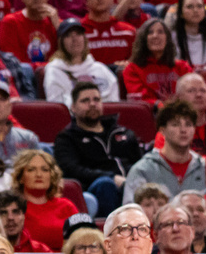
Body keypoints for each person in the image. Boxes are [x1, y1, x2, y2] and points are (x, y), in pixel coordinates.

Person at [54, 82, 142, 218]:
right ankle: (110, 229)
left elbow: (141, 163)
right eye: (85, 100)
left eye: (96, 99)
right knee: (105, 185)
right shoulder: (67, 137)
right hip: (94, 188)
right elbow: (72, 170)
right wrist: (111, 177)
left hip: (130, 183)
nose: (92, 104)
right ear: (73, 108)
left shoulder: (123, 132)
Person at [123, 100, 206, 203]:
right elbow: (132, 213)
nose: (183, 130)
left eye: (188, 125)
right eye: (175, 125)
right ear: (162, 130)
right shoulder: (142, 170)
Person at [9, 149, 77, 251]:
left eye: (45, 170)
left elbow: (81, 240)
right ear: (21, 177)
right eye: (31, 169)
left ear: (52, 175)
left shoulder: (66, 206)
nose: (39, 175)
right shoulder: (13, 208)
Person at [43, 19, 120, 105]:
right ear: (61, 42)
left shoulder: (100, 68)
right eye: (68, 35)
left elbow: (114, 103)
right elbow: (58, 107)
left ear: (84, 38)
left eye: (78, 34)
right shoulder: (54, 71)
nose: (74, 39)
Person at [123, 19, 194, 103]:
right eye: (150, 32)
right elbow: (141, 99)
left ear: (167, 39)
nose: (155, 36)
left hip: (181, 112)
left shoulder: (182, 67)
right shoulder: (132, 69)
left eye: (160, 32)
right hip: (150, 113)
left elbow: (193, 92)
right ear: (143, 39)